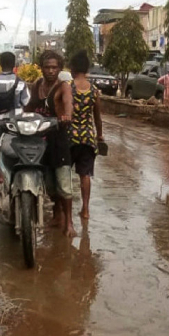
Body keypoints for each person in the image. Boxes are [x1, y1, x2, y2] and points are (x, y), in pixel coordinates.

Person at [24, 50, 76, 237]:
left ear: (60, 68)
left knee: (63, 183)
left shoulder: (64, 87)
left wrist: (66, 116)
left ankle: (69, 222)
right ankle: (56, 213)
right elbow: (29, 106)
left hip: (58, 139)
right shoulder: (37, 85)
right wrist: (20, 116)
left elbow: (68, 103)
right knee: (49, 183)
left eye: (55, 67)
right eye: (47, 67)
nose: (51, 71)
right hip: (39, 140)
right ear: (41, 68)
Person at [0, 52, 31, 183]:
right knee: (19, 145)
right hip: (17, 123)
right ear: (14, 65)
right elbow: (27, 103)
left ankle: (0, 175)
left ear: (0, 64)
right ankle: (18, 172)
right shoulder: (21, 83)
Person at [67, 51, 103, 220]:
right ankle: (86, 209)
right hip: (88, 137)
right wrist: (100, 136)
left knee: (64, 173)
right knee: (85, 174)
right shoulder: (94, 90)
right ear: (87, 68)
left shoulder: (68, 88)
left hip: (70, 137)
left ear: (72, 68)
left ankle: (63, 212)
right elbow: (97, 117)